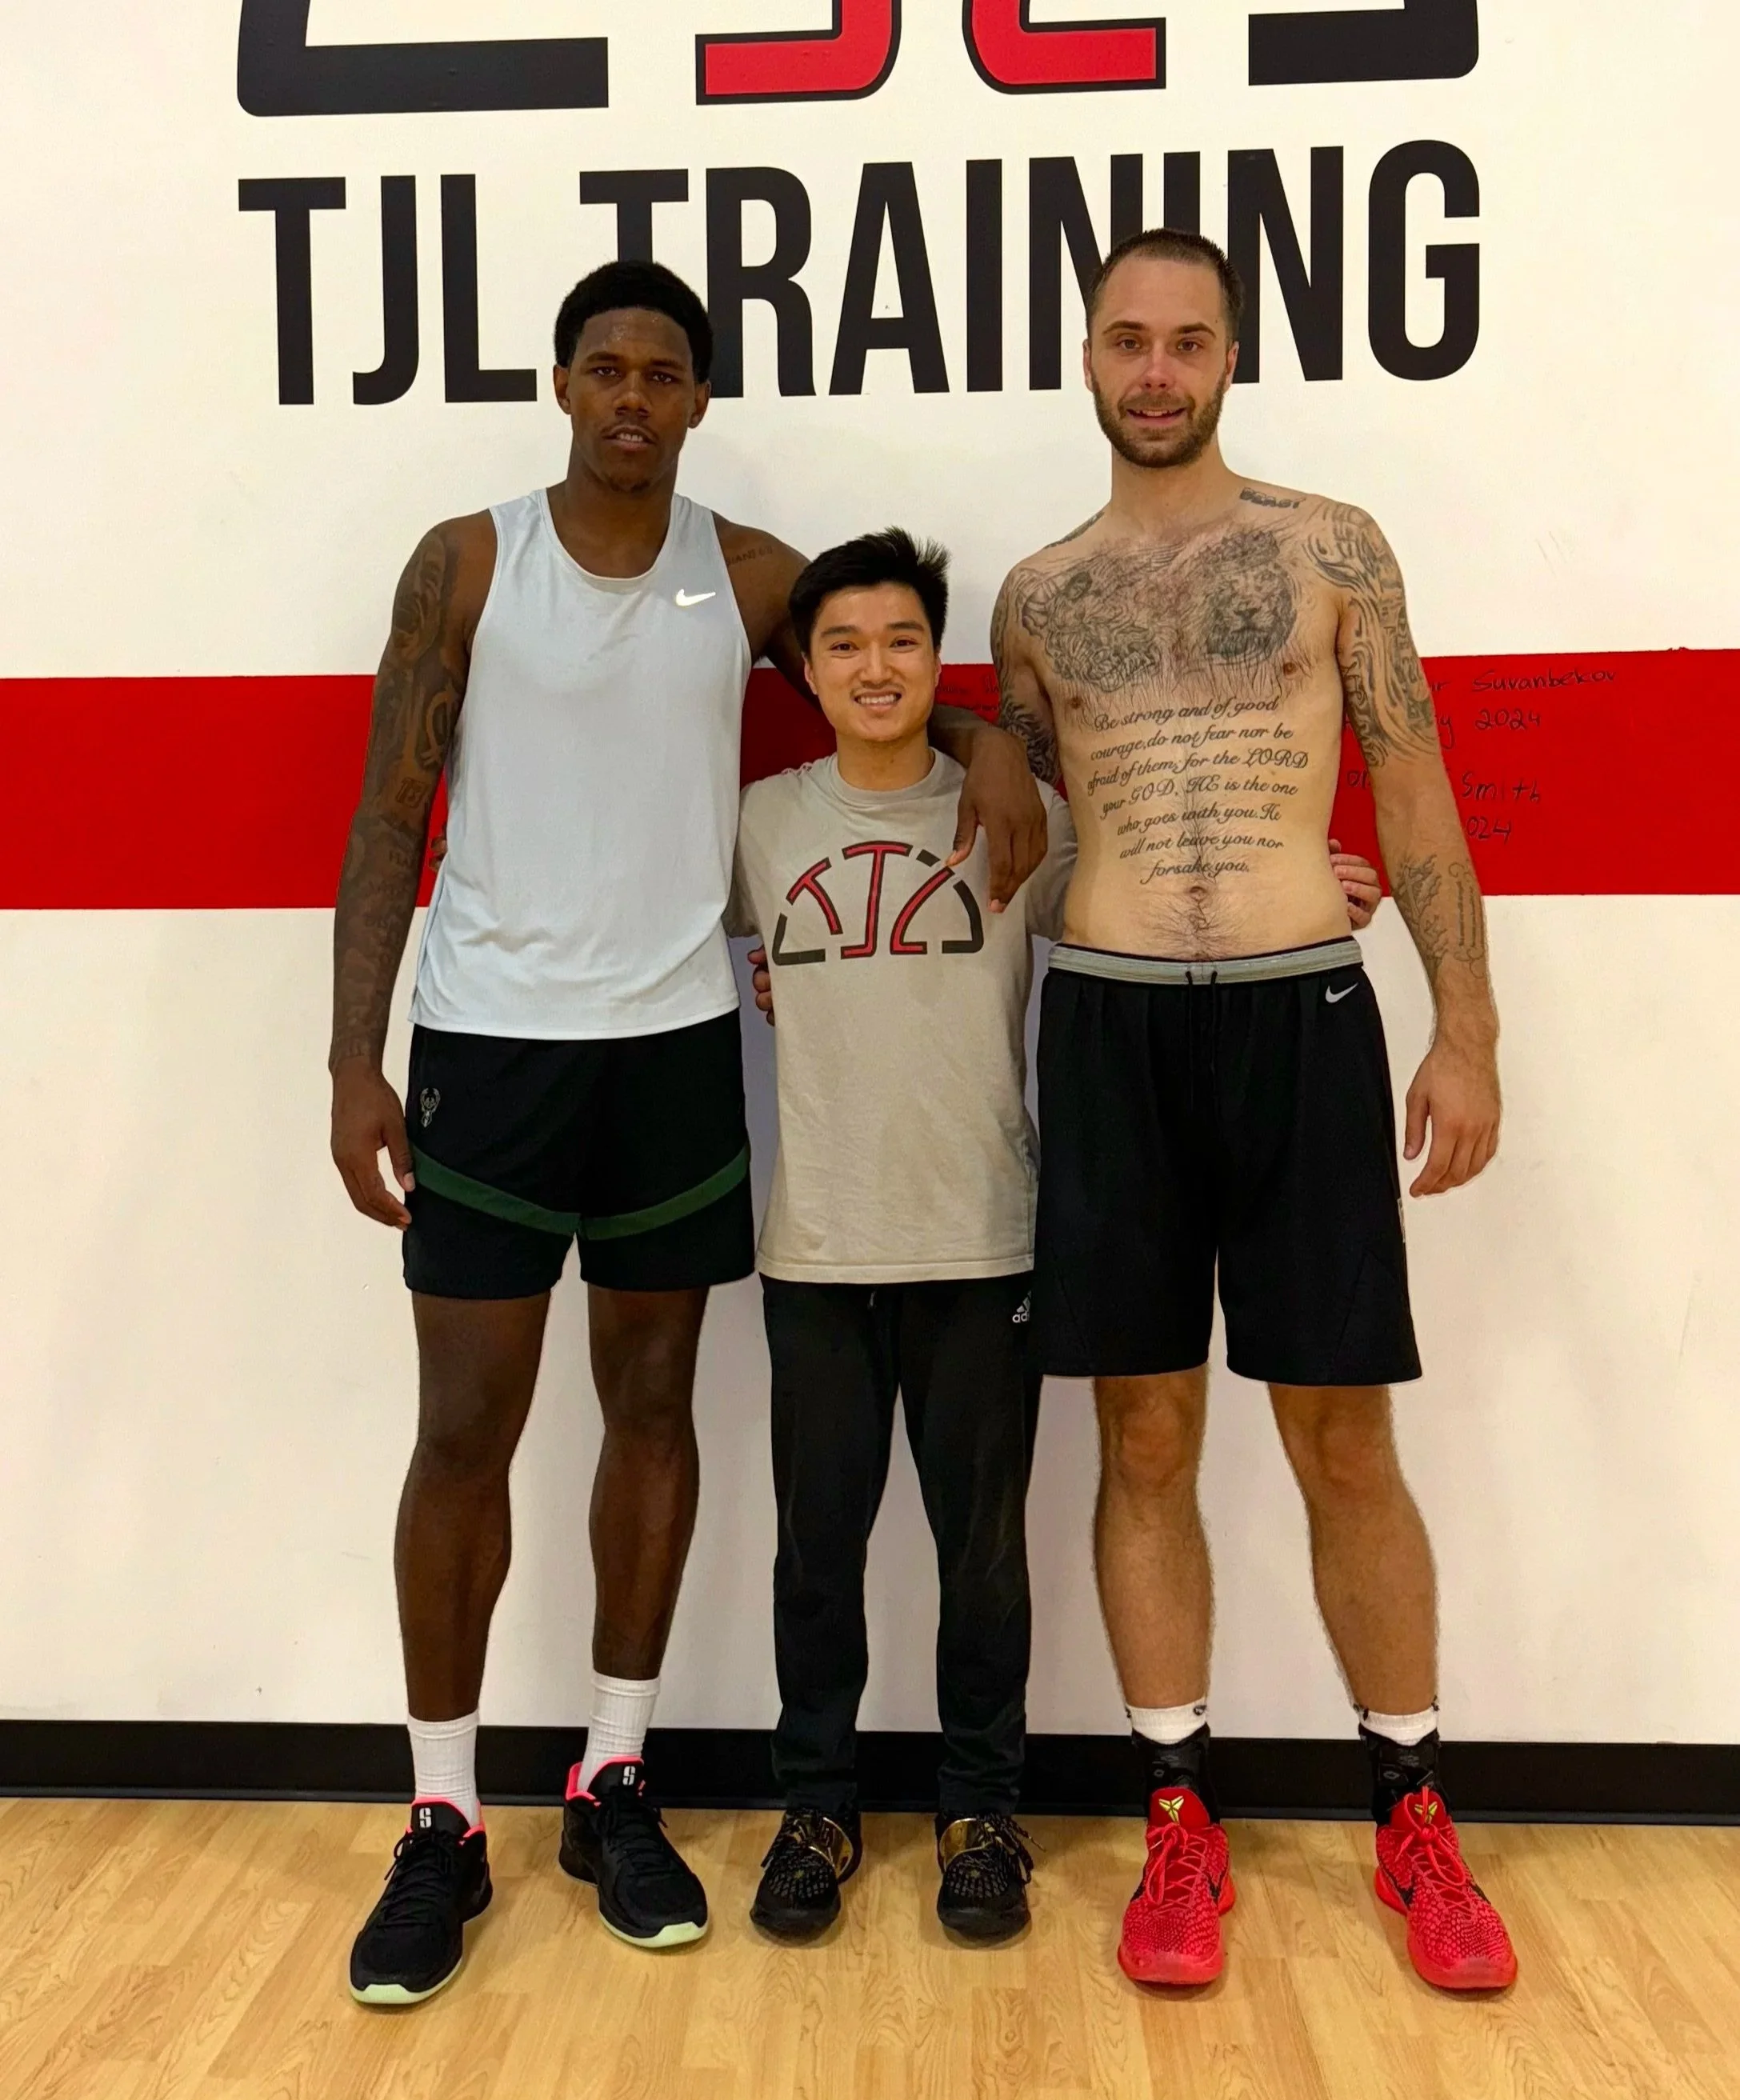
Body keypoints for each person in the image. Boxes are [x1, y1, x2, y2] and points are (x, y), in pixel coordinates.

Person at [331, 260, 1045, 2006]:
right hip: (489, 1050)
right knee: (465, 1433)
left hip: (669, 1053)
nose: (633, 396)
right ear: (560, 386)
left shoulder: (736, 574)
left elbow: (865, 659)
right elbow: (386, 805)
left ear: (701, 400)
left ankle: (615, 1773)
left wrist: (993, 745)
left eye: (665, 372)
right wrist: (353, 1055)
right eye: (606, 369)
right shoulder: (469, 558)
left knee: (651, 1411)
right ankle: (440, 1819)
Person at [990, 228, 1517, 1994]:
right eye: (1126, 340)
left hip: (1302, 1024)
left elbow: (1414, 774)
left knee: (1339, 1439)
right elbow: (1045, 817)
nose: (1155, 369)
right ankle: (1175, 1818)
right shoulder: (1034, 596)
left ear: (1231, 357)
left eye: (1186, 340)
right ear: (1084, 357)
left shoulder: (1328, 548)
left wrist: (1469, 1030)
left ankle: (1413, 1815)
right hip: (1114, 1033)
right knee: (1144, 1439)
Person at [734, 531, 1386, 1948]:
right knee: (812, 1555)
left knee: (983, 1563)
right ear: (804, 670)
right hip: (817, 1253)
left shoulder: (1026, 819)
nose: (874, 666)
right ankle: (817, 1803)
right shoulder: (757, 825)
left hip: (983, 1243)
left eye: (902, 639)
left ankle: (982, 1809)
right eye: (841, 644)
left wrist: (1306, 877)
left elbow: (1167, 887)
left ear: (939, 657)